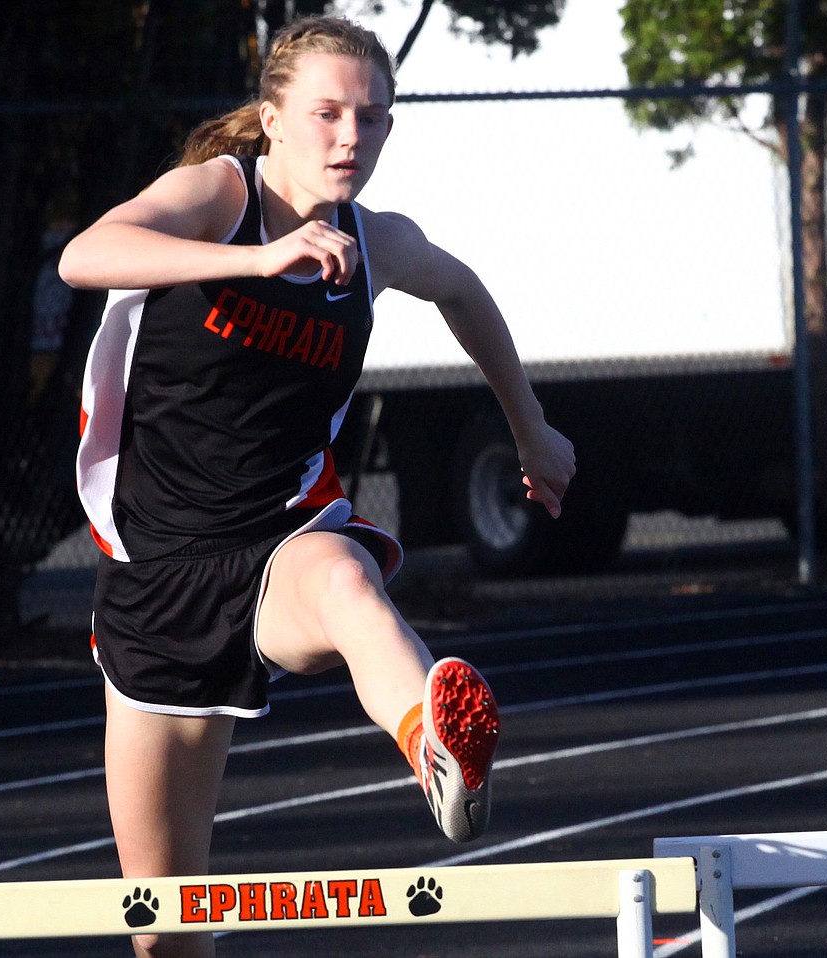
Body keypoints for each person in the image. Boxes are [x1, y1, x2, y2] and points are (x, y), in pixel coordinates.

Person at [58, 15, 575, 957]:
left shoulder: (377, 244)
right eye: (329, 113)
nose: (351, 138)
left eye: (372, 119)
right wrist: (255, 258)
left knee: (345, 582)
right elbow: (84, 255)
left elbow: (463, 291)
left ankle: (436, 746)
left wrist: (530, 427)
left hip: (279, 543)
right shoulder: (218, 195)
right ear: (273, 119)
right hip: (152, 570)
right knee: (165, 927)